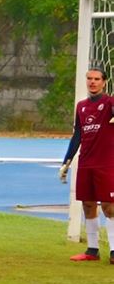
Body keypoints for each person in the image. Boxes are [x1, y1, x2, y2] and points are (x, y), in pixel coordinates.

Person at [58, 68, 114, 264]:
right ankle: (92, 250)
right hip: (86, 163)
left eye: (97, 79)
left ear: (104, 82)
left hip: (106, 163)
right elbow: (78, 135)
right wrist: (67, 161)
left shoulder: (110, 103)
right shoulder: (81, 106)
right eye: (89, 78)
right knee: (88, 205)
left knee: (109, 206)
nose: (92, 82)